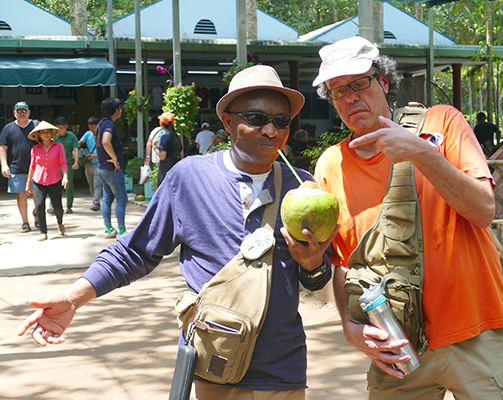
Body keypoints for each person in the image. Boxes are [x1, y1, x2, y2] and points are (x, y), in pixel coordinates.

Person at [17, 64, 336, 400]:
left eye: (281, 121)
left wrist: (314, 263)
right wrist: (73, 298)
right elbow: (135, 251)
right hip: (214, 366)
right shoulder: (190, 178)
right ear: (227, 122)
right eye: (257, 119)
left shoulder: (302, 188)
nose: (271, 130)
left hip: (282, 371)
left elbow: (318, 280)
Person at [312, 36, 503, 398]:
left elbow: (484, 210)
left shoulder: (442, 122)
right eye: (337, 90)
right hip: (397, 341)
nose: (350, 98)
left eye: (359, 83)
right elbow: (344, 260)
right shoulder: (332, 164)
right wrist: (350, 326)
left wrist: (422, 154)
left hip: (478, 330)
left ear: (383, 81)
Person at [25, 121, 68, 241]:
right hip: (39, 181)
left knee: (57, 207)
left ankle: (60, 222)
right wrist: (28, 183)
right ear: (39, 135)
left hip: (55, 180)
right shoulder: (35, 149)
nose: (45, 134)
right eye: (43, 132)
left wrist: (65, 176)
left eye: (47, 132)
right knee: (39, 205)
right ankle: (43, 232)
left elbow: (63, 163)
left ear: (52, 134)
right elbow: (32, 166)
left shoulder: (59, 146)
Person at [0, 101, 40, 233]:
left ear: (29, 112)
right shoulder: (8, 128)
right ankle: (25, 222)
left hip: (36, 168)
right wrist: (4, 165)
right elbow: (3, 148)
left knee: (37, 195)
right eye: (19, 111)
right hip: (17, 168)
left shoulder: (36, 126)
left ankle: (37, 214)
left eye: (24, 111)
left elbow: (48, 139)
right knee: (21, 196)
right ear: (14, 113)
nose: (22, 113)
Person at [95, 97, 129, 239]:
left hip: (102, 167)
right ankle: (122, 231)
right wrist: (114, 158)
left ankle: (108, 228)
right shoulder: (109, 124)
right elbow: (105, 141)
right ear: (117, 110)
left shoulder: (100, 124)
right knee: (122, 199)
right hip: (112, 169)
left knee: (107, 198)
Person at [48, 116, 79, 215]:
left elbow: (76, 150)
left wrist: (76, 163)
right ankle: (52, 206)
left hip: (69, 165)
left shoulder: (72, 137)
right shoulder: (54, 138)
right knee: (53, 186)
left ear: (66, 126)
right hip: (55, 166)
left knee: (68, 187)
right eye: (57, 128)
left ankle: (69, 206)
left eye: (61, 128)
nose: (59, 130)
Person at [79, 117, 102, 211]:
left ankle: (96, 203)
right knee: (91, 184)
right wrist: (77, 153)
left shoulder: (103, 135)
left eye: (93, 127)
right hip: (89, 163)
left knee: (97, 184)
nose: (91, 129)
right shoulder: (88, 134)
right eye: (90, 127)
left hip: (99, 164)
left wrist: (96, 155)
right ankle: (95, 200)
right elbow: (78, 144)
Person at [153, 112, 183, 186]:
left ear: (161, 123)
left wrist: (155, 147)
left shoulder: (165, 137)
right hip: (176, 166)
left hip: (165, 168)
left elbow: (162, 157)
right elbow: (181, 155)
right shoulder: (177, 137)